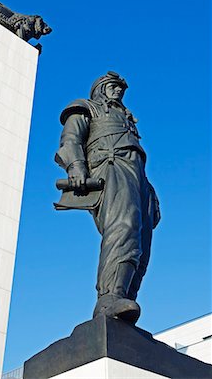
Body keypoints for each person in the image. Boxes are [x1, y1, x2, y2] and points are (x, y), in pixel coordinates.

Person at [55, 71, 160, 323]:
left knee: (142, 241)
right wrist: (76, 167)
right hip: (110, 167)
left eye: (121, 88)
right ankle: (108, 300)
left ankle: (125, 299)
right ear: (100, 88)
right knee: (123, 226)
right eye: (113, 86)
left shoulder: (126, 118)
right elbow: (70, 140)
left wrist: (149, 191)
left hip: (137, 176)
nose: (119, 91)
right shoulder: (86, 108)